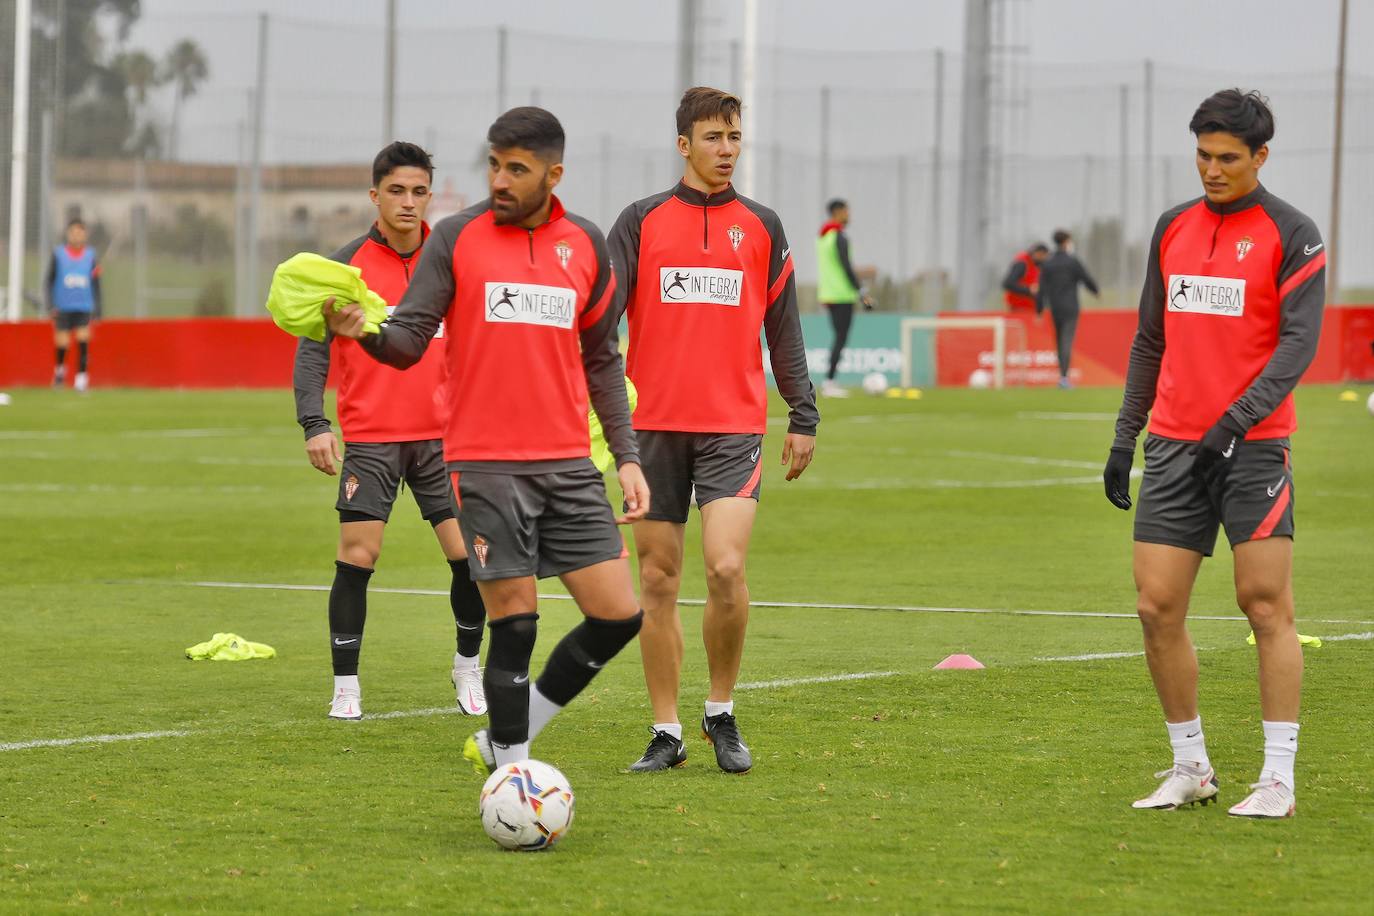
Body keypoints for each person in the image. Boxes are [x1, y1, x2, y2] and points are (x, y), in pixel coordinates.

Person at [323, 107, 648, 773]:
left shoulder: (586, 246)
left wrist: (628, 458)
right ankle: (512, 779)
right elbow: (410, 338)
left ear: (554, 175)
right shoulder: (456, 238)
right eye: (494, 165)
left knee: (618, 616)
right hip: (485, 463)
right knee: (517, 623)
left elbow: (602, 362)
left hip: (568, 465)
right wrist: (368, 333)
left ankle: (509, 735)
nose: (500, 180)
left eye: (517, 170)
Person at [1105, 89, 1325, 819]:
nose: (1212, 169)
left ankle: (1278, 780)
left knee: (1264, 605)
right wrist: (1123, 434)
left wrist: (1235, 421)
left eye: (1228, 158)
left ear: (1260, 157)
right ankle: (1191, 766)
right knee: (1155, 606)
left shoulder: (1293, 234)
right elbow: (1148, 340)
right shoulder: (1173, 228)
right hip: (1173, 446)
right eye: (1202, 155)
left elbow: (1298, 346)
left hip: (1253, 449)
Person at [608, 87, 819, 774]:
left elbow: (783, 329)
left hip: (732, 427)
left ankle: (720, 713)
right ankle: (665, 731)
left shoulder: (761, 225)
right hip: (651, 431)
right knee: (659, 579)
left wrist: (802, 413)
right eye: (712, 138)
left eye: (733, 137)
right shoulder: (640, 222)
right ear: (683, 146)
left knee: (727, 567)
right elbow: (600, 323)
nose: (726, 150)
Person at [293, 142, 488, 722]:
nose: (408, 202)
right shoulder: (344, 267)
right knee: (358, 555)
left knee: (471, 558)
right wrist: (314, 423)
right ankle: (346, 686)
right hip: (373, 438)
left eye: (419, 191)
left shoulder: (454, 261)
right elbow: (312, 352)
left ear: (432, 194)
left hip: (446, 441)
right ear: (374, 195)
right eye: (396, 191)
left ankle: (467, 669)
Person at [815, 198, 873, 398]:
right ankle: (830, 383)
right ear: (838, 212)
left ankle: (830, 381)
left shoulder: (823, 236)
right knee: (840, 338)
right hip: (842, 294)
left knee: (838, 337)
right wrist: (862, 292)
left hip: (829, 293)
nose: (849, 215)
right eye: (847, 211)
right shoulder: (839, 236)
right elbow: (846, 266)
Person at [1035, 229, 1099, 388]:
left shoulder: (1048, 263)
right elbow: (1086, 278)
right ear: (1066, 242)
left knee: (1059, 341)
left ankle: (1062, 376)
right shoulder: (1072, 261)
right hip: (1070, 307)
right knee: (1066, 341)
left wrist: (1039, 309)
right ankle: (1064, 378)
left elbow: (1041, 288)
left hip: (1055, 308)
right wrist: (1095, 291)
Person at [46, 218, 101, 391]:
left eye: (80, 232)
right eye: (74, 232)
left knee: (83, 340)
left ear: (85, 235)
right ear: (68, 234)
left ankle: (81, 378)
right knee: (63, 343)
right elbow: (49, 280)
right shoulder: (58, 254)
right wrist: (50, 304)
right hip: (62, 306)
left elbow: (96, 284)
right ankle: (60, 373)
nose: (77, 236)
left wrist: (98, 309)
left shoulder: (91, 256)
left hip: (84, 306)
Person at [1000, 242, 1047, 317]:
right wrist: (1029, 290)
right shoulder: (1022, 263)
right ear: (1037, 253)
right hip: (1017, 308)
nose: (1044, 258)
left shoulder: (1038, 265)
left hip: (1031, 309)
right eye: (1042, 255)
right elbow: (1008, 283)